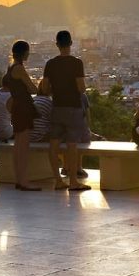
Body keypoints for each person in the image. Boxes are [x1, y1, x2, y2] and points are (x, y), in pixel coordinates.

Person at [42, 30, 89, 191]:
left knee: (53, 144)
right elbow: (81, 88)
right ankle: (74, 181)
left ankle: (58, 180)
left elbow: (45, 88)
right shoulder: (77, 63)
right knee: (72, 144)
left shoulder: (50, 64)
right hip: (73, 108)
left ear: (57, 45)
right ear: (70, 43)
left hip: (57, 107)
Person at [3, 40, 41, 191]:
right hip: (24, 108)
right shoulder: (19, 68)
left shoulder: (11, 68)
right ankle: (24, 181)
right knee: (23, 147)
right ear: (24, 52)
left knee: (18, 145)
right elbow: (32, 88)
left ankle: (20, 180)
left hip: (17, 108)